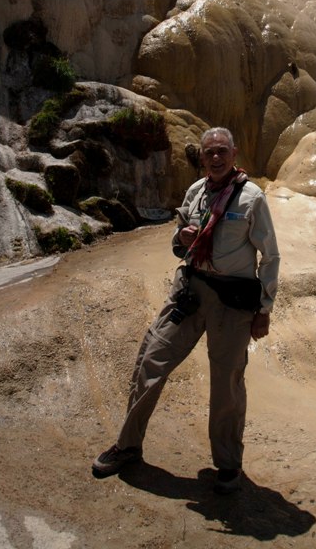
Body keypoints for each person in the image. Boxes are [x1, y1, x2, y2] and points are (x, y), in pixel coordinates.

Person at [92, 127, 280, 493]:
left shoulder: (252, 199)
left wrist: (265, 308)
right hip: (191, 290)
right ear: (202, 156)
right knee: (152, 359)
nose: (215, 157)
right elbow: (179, 244)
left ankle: (228, 465)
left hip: (232, 303)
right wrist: (181, 239)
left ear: (234, 153)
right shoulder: (196, 192)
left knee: (226, 384)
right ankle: (128, 445)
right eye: (209, 152)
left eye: (221, 151)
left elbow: (270, 256)